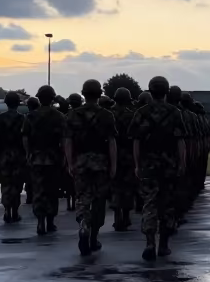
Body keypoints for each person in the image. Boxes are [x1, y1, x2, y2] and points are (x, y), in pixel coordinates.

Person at [129, 76, 186, 261]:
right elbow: (180, 142)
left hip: (148, 165)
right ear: (166, 91)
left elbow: (136, 142)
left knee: (149, 203)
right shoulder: (175, 112)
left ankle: (149, 242)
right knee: (168, 205)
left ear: (150, 90)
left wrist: (137, 164)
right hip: (169, 165)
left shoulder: (141, 112)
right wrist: (182, 163)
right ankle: (164, 245)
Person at [65, 79, 118, 256]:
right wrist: (113, 165)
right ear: (99, 94)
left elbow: (68, 141)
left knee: (82, 197)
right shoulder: (106, 115)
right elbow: (111, 142)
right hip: (101, 162)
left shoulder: (72, 115)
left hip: (80, 161)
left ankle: (83, 224)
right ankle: (93, 238)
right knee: (99, 201)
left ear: (83, 93)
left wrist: (70, 162)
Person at [22, 84, 66, 235]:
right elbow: (64, 139)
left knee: (38, 190)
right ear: (53, 98)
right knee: (52, 190)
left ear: (39, 98)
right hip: (53, 158)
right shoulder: (59, 116)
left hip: (36, 158)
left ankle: (40, 222)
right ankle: (50, 222)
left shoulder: (30, 116)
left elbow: (26, 138)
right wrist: (64, 156)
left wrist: (28, 154)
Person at [0, 91, 26, 223]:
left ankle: (7, 210)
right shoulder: (22, 118)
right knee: (17, 184)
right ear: (18, 103)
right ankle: (15, 211)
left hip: (4, 155)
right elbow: (25, 139)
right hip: (18, 155)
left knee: (6, 184)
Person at [110, 87, 136, 230]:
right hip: (128, 155)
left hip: (112, 154)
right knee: (128, 187)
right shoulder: (132, 116)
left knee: (115, 186)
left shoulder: (109, 114)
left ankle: (117, 216)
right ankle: (126, 216)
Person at [23, 97, 39, 205]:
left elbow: (25, 137)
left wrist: (27, 152)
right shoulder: (49, 116)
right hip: (47, 153)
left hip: (32, 152)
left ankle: (30, 196)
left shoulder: (27, 118)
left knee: (29, 175)